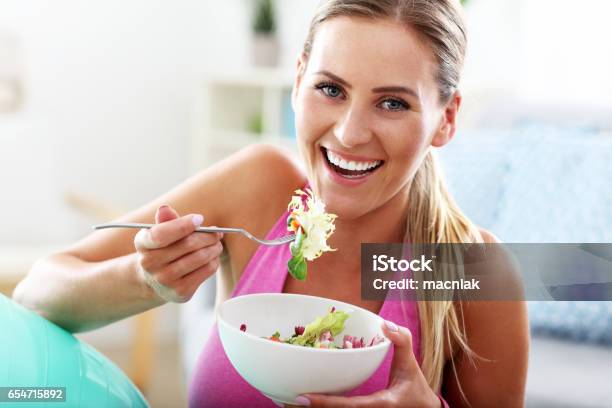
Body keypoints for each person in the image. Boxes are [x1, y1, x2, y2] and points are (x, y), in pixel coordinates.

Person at [13, 0, 529, 406]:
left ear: (446, 118)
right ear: (298, 79)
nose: (349, 134)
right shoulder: (258, 187)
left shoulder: (472, 268)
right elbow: (38, 292)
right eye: (330, 88)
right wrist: (144, 279)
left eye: (392, 103)